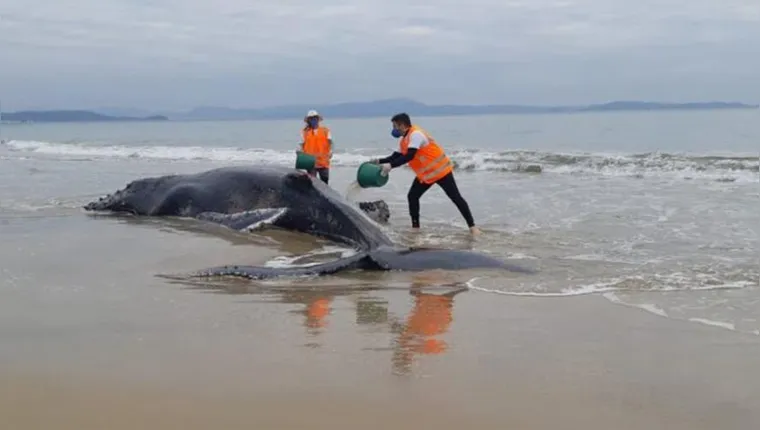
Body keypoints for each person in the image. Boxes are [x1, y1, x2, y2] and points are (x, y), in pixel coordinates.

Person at [372, 113, 481, 235]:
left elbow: (410, 155)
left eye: (394, 126)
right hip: (426, 175)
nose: (393, 130)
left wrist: (391, 166)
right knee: (412, 196)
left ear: (402, 125)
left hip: (441, 171)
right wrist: (378, 161)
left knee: (455, 197)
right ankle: (415, 228)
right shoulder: (404, 140)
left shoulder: (416, 134)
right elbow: (396, 156)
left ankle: (473, 228)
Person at [297, 110, 333, 184]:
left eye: (315, 118)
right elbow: (301, 145)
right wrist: (299, 153)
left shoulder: (325, 131)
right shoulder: (305, 132)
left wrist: (331, 152)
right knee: (312, 183)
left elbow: (330, 143)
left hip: (323, 161)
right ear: (308, 120)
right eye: (311, 119)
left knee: (325, 181)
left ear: (318, 119)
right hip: (310, 162)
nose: (313, 120)